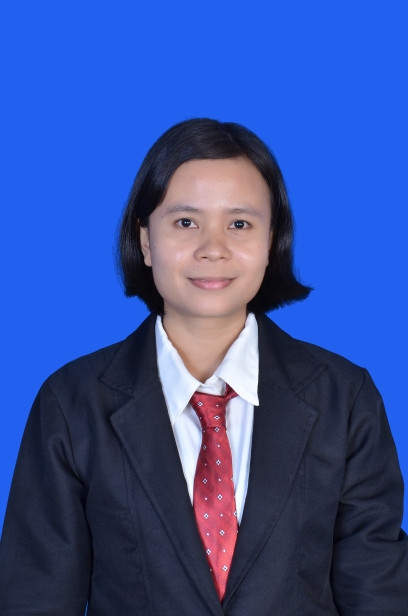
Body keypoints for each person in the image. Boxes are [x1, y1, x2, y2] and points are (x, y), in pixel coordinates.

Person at [0, 118, 407, 615]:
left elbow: (377, 589)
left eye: (239, 224)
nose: (213, 249)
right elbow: (35, 596)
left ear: (272, 240)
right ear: (145, 240)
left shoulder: (344, 398)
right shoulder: (71, 404)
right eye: (186, 222)